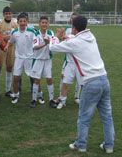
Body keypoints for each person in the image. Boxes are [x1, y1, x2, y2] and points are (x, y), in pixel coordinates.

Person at [49, 15, 115, 154]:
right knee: (107, 116)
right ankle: (109, 146)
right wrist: (67, 37)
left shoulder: (76, 42)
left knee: (84, 117)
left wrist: (56, 36)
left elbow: (53, 48)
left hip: (91, 83)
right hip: (104, 79)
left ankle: (81, 145)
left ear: (74, 27)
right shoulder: (91, 36)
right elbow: (75, 40)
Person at [4, 12, 35, 104]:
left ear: (27, 22)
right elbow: (11, 41)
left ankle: (36, 94)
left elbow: (37, 42)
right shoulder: (14, 32)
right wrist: (6, 46)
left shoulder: (32, 31)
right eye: (20, 21)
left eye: (24, 21)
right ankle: (16, 95)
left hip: (29, 58)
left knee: (33, 77)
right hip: (18, 58)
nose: (22, 23)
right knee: (16, 78)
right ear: (17, 22)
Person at [30, 16, 57, 108]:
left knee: (49, 79)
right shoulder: (36, 33)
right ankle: (34, 99)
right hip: (38, 60)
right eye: (42, 22)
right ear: (39, 24)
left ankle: (51, 99)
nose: (44, 24)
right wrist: (45, 43)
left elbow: (54, 43)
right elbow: (35, 47)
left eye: (46, 22)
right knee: (37, 80)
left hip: (48, 59)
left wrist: (51, 42)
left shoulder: (51, 33)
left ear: (48, 24)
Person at [56, 13, 82, 109]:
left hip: (79, 60)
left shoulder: (81, 30)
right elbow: (63, 40)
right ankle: (62, 99)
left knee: (81, 81)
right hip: (68, 59)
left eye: (75, 19)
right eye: (72, 19)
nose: (73, 20)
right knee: (64, 79)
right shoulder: (67, 28)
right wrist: (62, 36)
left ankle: (77, 97)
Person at [0, 6, 18, 96]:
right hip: (1, 48)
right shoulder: (0, 23)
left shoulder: (15, 24)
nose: (8, 15)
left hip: (11, 48)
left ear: (11, 14)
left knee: (9, 68)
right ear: (3, 15)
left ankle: (8, 90)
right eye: (6, 14)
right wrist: (3, 38)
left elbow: (17, 35)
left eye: (9, 13)